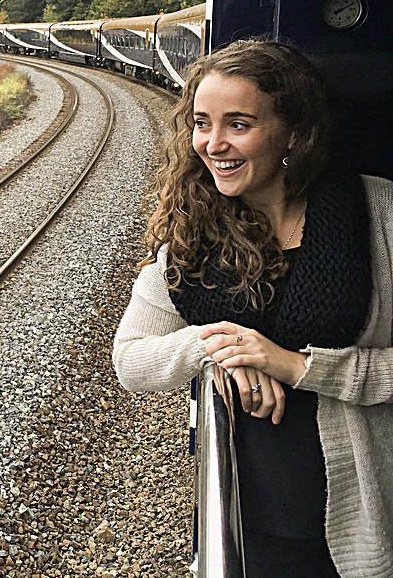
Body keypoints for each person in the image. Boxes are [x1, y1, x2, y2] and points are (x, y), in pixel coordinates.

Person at [112, 39, 393, 577]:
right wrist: (219, 345)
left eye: (238, 124)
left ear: (293, 131)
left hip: (370, 514)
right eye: (201, 123)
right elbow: (132, 359)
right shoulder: (190, 236)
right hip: (253, 516)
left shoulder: (378, 215)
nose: (213, 144)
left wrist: (298, 367)